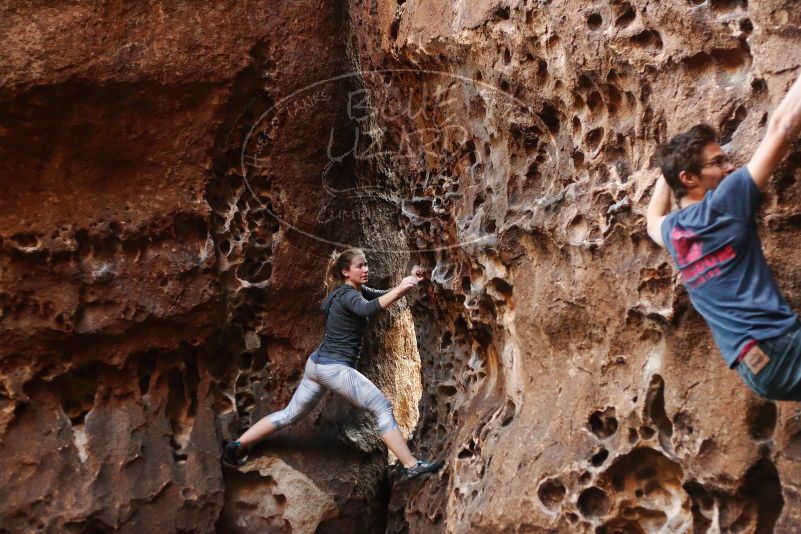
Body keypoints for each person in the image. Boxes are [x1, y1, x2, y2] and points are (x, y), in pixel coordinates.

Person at [223, 248, 443, 480]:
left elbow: (379, 295)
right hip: (334, 369)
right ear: (346, 272)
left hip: (316, 366)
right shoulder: (349, 295)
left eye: (366, 264)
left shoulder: (349, 291)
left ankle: (236, 446)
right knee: (382, 407)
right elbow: (368, 308)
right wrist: (402, 288)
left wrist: (407, 281)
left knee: (289, 415)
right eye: (360, 266)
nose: (366, 269)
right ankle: (410, 465)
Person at [646, 71, 801, 400]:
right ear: (689, 178)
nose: (730, 168)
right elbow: (783, 127)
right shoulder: (725, 203)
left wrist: (668, 171)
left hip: (755, 368)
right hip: (781, 347)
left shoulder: (674, 233)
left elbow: (651, 219)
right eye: (718, 162)